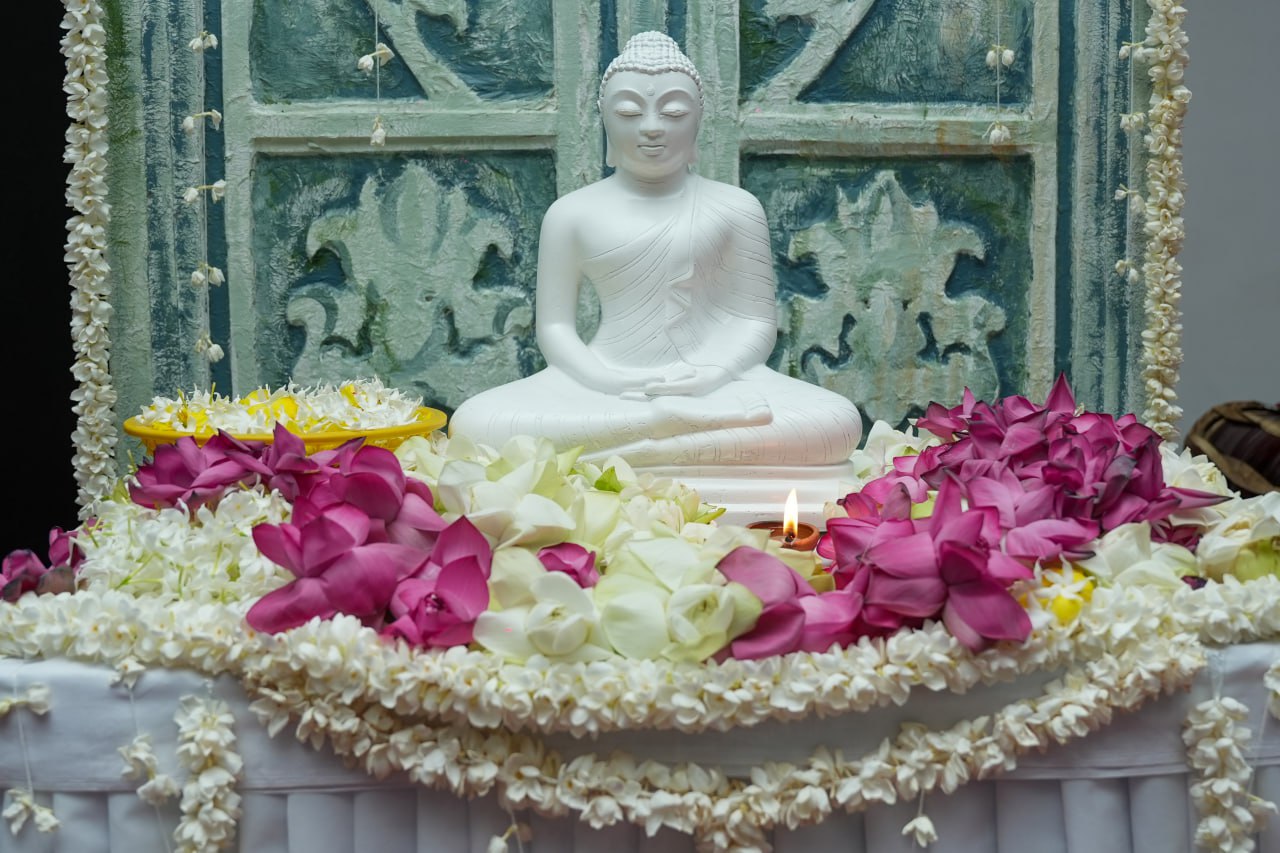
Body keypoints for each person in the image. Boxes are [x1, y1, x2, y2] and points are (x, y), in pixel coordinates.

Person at [450, 32, 862, 466]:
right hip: (603, 385)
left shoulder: (736, 208)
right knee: (478, 422)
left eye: (673, 112)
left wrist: (711, 375)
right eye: (629, 111)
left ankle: (647, 438)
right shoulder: (570, 213)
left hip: (714, 386)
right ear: (606, 120)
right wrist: (606, 381)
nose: (651, 126)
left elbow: (755, 322)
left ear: (697, 120)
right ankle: (665, 429)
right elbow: (555, 329)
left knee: (835, 421)